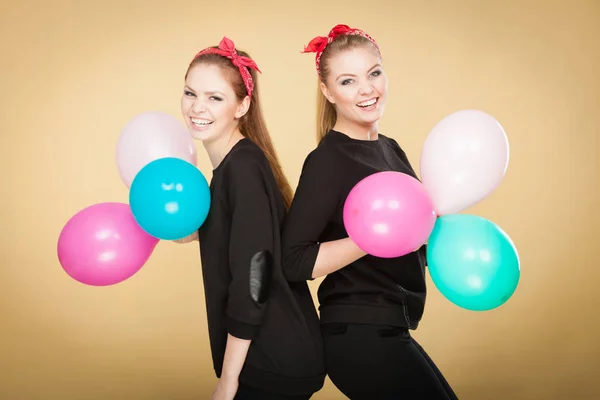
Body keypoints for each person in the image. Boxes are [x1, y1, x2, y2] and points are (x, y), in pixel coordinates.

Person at [281, 24, 458, 399]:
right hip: (356, 333)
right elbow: (293, 261)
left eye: (374, 73)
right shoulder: (328, 159)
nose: (366, 89)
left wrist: (432, 229)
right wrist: (372, 235)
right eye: (348, 81)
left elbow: (410, 243)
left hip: (391, 326)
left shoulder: (391, 150)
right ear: (328, 92)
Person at [175, 37, 325, 400]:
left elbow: (254, 276)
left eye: (215, 97)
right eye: (190, 93)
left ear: (242, 105)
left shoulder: (243, 168)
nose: (198, 107)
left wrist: (228, 381)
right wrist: (197, 228)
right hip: (268, 355)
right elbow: (245, 233)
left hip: (273, 358)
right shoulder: (231, 169)